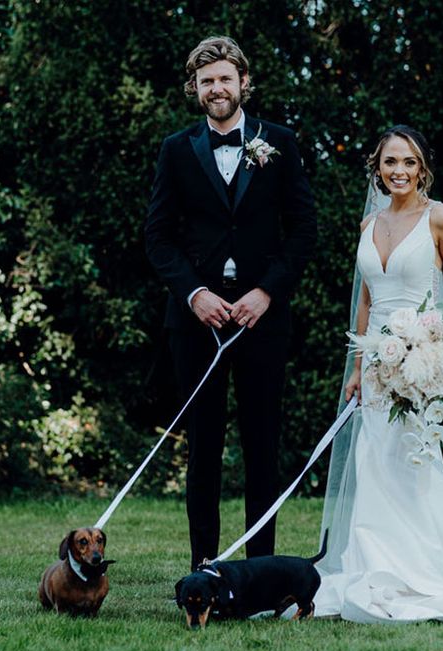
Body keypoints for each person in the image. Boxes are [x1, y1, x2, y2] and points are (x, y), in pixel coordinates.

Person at [314, 125, 443, 622]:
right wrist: (358, 367)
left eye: (407, 162)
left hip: (421, 356)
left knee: (413, 464)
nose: (398, 171)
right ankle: (375, 568)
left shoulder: (439, 218)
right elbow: (364, 300)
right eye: (389, 163)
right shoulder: (369, 225)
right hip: (378, 362)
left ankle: (428, 571)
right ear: (377, 169)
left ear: (421, 166)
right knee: (373, 461)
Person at [145, 36, 317, 571]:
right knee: (203, 449)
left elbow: (304, 229)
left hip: (262, 320)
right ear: (195, 90)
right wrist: (194, 295)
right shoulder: (176, 149)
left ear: (244, 82)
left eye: (225, 78)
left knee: (262, 448)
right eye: (206, 81)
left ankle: (261, 571)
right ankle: (205, 569)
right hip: (197, 324)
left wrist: (266, 291)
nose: (217, 89)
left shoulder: (280, 143)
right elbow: (158, 237)